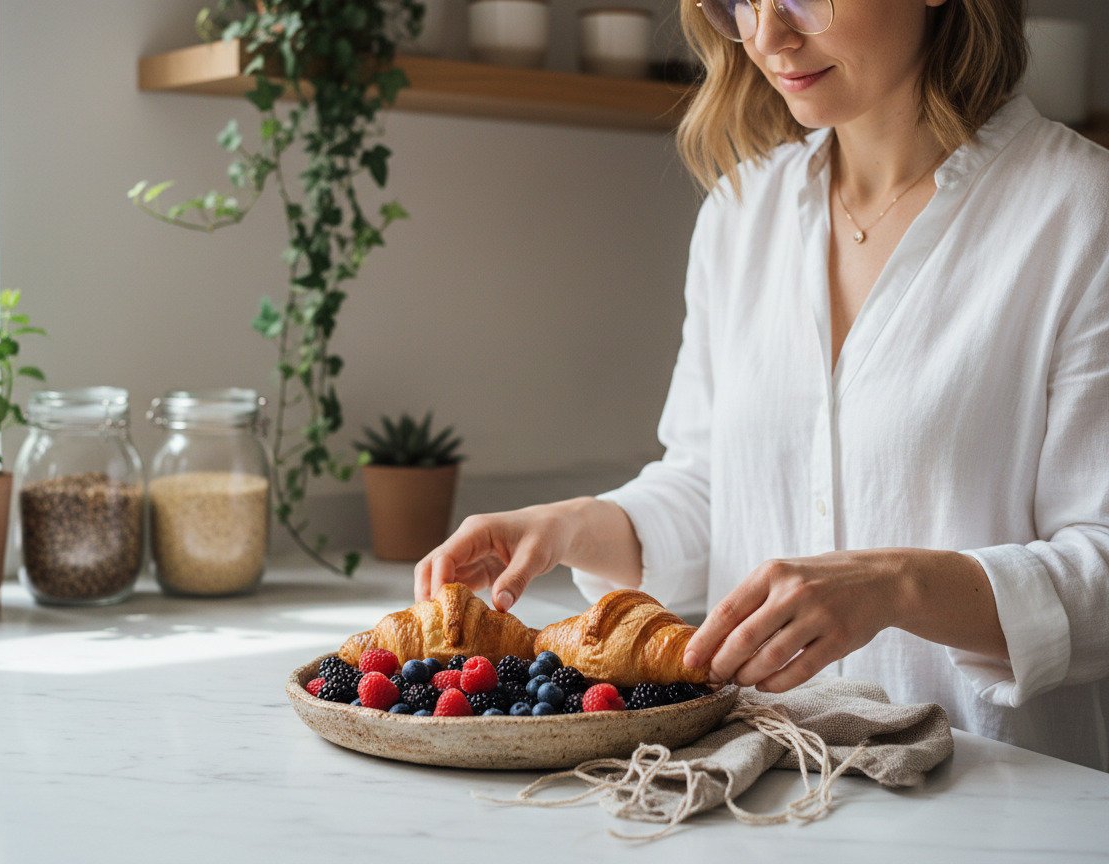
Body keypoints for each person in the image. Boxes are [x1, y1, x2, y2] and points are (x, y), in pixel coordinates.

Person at [414, 0, 1109, 771]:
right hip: (757, 782)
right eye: (739, 1)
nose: (766, 37)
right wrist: (570, 525)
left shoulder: (1081, 212)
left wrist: (898, 586)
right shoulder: (742, 213)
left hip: (993, 802)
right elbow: (716, 487)